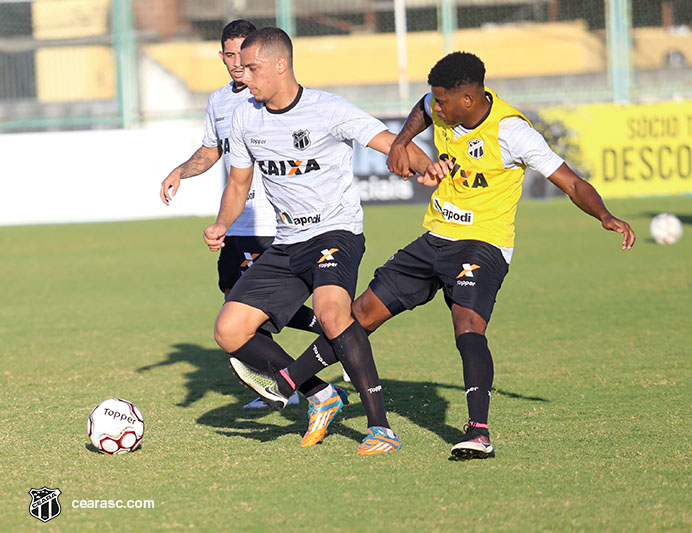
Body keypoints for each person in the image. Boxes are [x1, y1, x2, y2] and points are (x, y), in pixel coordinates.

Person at [240, 51, 635, 461]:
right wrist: (401, 141)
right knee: (359, 315)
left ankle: (478, 433)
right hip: (433, 240)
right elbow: (421, 110)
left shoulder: (512, 132)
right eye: (435, 100)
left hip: (482, 244)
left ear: (469, 99)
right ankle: (290, 383)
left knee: (467, 327)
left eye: (443, 102)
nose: (436, 108)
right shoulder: (441, 105)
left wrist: (605, 215)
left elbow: (570, 182)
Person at [205, 26, 433, 454]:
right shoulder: (243, 116)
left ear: (280, 64)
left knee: (332, 314)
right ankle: (319, 394)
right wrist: (221, 223)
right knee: (229, 329)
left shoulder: (327, 110)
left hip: (335, 232)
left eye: (252, 68)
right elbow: (238, 184)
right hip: (288, 241)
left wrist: (424, 165)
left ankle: (380, 427)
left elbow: (390, 143)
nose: (244, 76)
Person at [159, 20, 328, 409]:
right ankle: (283, 376)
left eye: (244, 55)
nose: (238, 63)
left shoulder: (269, 96)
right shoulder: (219, 101)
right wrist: (179, 172)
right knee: (234, 297)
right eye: (230, 55)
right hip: (237, 223)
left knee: (249, 310)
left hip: (274, 222)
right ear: (221, 56)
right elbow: (210, 151)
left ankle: (316, 362)